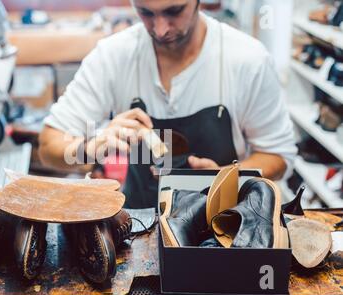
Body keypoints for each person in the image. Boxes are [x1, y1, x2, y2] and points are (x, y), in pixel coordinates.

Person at [38, 0, 297, 208]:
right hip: (139, 221)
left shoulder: (247, 59)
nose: (160, 29)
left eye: (174, 11)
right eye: (145, 12)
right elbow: (48, 146)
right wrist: (89, 148)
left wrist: (228, 177)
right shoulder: (112, 57)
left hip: (223, 224)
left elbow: (279, 156)